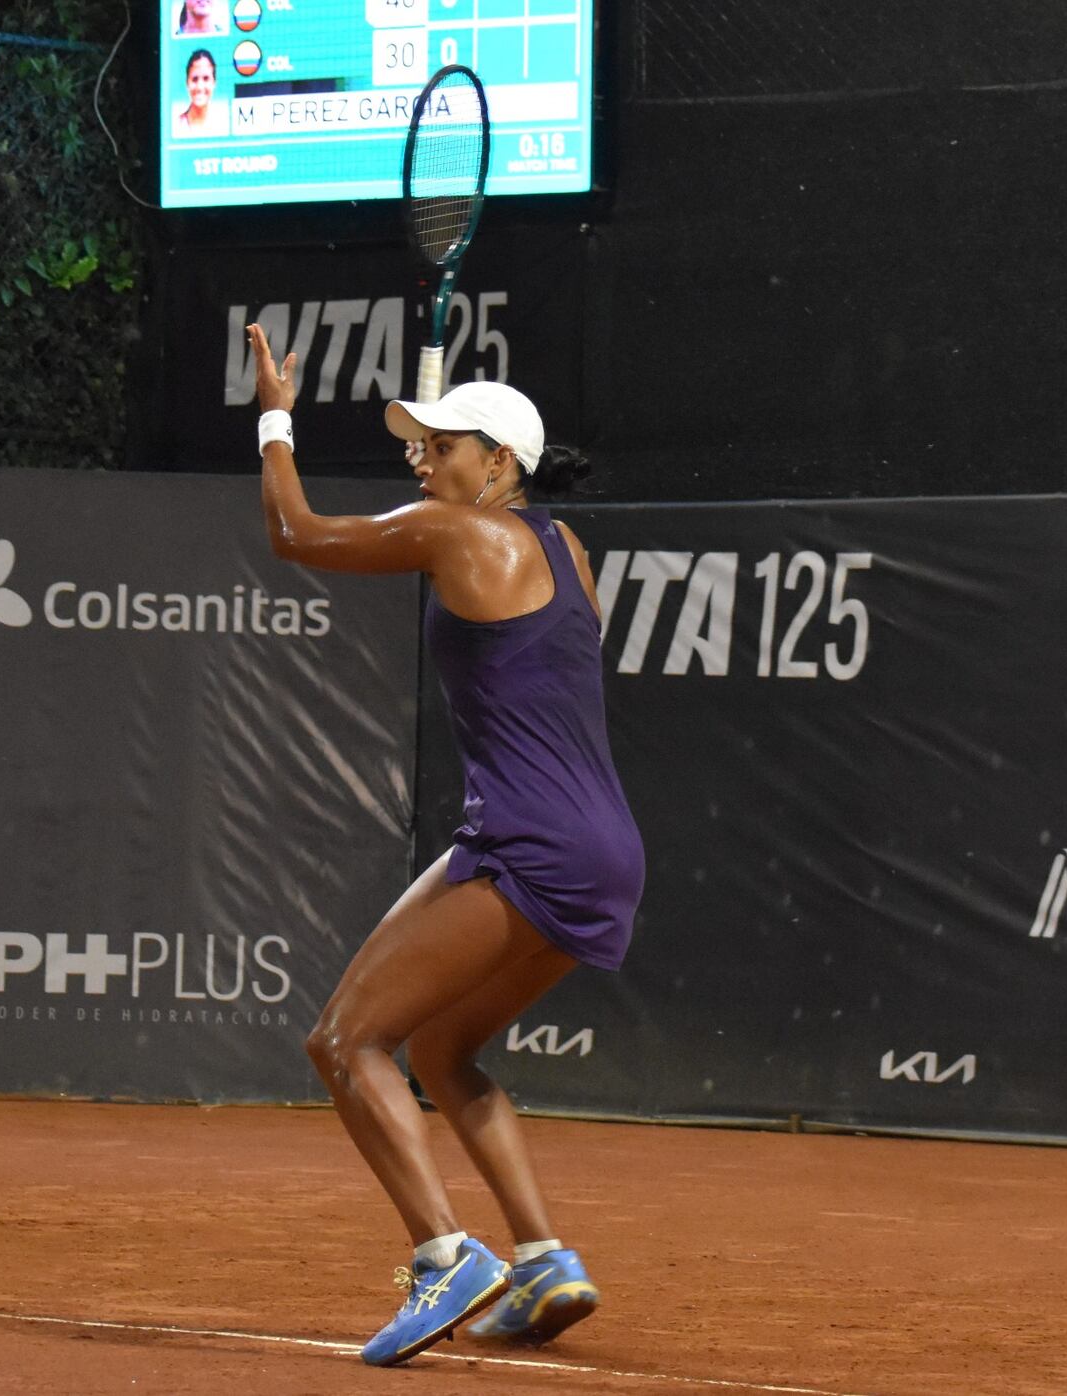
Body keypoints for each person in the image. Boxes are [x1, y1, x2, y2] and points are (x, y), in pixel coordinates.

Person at [246, 324, 645, 1368]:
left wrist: (275, 414)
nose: (422, 458)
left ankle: (443, 1255)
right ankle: (546, 1259)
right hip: (604, 848)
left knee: (343, 1043)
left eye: (444, 443)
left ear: (498, 462)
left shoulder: (457, 533)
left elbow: (294, 533)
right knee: (439, 1049)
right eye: (418, 443)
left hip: (528, 840)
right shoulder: (566, 549)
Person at [173, 49, 229, 137]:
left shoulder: (224, 125)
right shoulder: (175, 127)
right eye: (195, 79)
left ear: (214, 82)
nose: (200, 87)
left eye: (206, 78)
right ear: (187, 83)